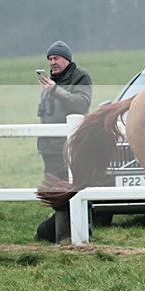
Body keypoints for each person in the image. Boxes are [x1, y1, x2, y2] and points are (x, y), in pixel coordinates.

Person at [36, 41, 92, 242]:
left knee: (73, 192)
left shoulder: (81, 77)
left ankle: (76, 236)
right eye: (50, 59)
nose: (52, 62)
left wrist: (55, 90)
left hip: (71, 148)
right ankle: (59, 236)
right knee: (55, 192)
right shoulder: (50, 82)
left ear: (67, 59)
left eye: (56, 58)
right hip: (49, 148)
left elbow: (81, 104)